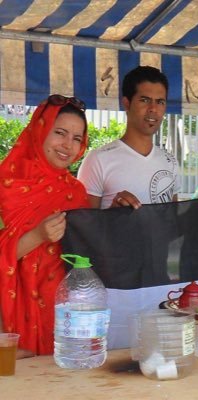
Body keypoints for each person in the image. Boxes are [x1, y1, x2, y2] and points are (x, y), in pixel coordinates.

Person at [0, 95, 89, 356]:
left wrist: (118, 212)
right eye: (60, 133)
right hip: (9, 317)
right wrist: (38, 235)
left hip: (60, 313)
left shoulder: (76, 192)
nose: (68, 145)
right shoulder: (6, 186)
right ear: (40, 130)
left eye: (76, 138)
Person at [78, 65, 180, 209]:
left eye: (160, 102)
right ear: (126, 103)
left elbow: (174, 219)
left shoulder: (171, 162)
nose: (153, 109)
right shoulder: (98, 160)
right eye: (145, 100)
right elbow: (85, 226)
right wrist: (113, 214)